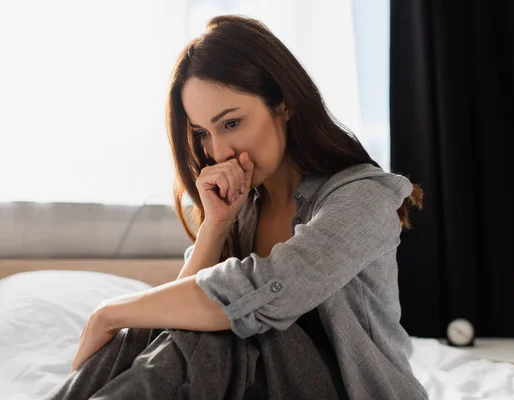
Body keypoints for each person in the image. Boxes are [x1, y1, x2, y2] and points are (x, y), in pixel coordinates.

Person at [44, 15, 429, 400]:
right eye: (202, 134)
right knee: (154, 327)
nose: (218, 152)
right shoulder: (244, 205)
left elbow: (265, 294)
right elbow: (173, 321)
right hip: (259, 386)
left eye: (231, 123)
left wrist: (108, 313)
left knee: (217, 325)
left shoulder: (363, 196)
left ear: (284, 104)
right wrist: (215, 225)